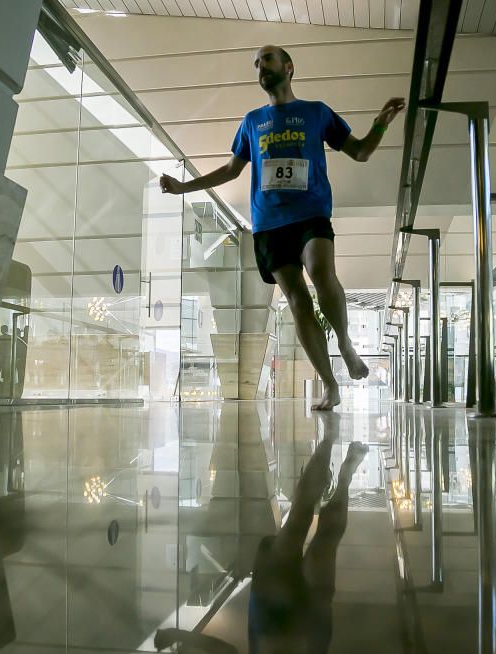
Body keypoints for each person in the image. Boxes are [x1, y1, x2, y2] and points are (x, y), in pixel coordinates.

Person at [160, 45, 405, 410]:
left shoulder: (316, 112)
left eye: (267, 59)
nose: (260, 66)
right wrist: (183, 187)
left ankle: (346, 343)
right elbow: (230, 170)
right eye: (256, 63)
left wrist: (381, 122)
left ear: (289, 67)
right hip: (270, 223)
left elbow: (361, 152)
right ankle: (329, 384)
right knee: (297, 301)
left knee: (322, 273)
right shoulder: (251, 121)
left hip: (311, 213)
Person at [153, 413, 366, 654]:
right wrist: (178, 635)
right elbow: (228, 653)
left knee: (304, 524)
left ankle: (333, 446)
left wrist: (180, 635)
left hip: (275, 607)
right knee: (318, 536)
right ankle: (343, 474)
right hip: (301, 623)